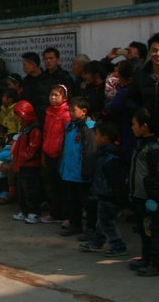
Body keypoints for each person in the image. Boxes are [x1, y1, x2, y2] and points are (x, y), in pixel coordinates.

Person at [129, 108, 159, 277]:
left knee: (154, 230)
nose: (131, 127)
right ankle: (146, 257)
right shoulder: (143, 144)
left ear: (145, 126)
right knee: (143, 229)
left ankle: (157, 263)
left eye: (134, 124)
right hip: (140, 196)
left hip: (151, 198)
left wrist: (155, 198)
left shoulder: (157, 148)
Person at [79, 121, 128, 257]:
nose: (95, 137)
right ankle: (96, 241)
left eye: (97, 135)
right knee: (102, 221)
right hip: (103, 194)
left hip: (110, 197)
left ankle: (118, 245)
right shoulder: (104, 155)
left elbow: (117, 183)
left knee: (107, 222)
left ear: (105, 139)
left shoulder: (112, 158)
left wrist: (120, 200)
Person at [59, 96, 97, 237]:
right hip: (70, 172)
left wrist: (87, 171)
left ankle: (91, 229)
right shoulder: (70, 127)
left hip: (82, 174)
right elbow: (65, 149)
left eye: (73, 110)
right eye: (69, 110)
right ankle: (75, 225)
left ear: (84, 111)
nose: (70, 113)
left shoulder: (89, 128)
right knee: (72, 201)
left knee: (87, 203)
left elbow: (90, 151)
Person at [40, 84, 71, 225]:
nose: (52, 98)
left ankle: (66, 215)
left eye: (56, 95)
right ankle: (55, 213)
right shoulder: (49, 113)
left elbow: (67, 136)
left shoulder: (66, 114)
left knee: (63, 187)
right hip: (49, 153)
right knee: (52, 186)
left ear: (64, 98)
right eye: (51, 95)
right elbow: (45, 133)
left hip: (62, 155)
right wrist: (43, 152)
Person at [10, 100, 42, 223]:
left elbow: (33, 147)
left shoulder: (34, 128)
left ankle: (33, 212)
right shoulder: (25, 128)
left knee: (31, 189)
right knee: (22, 189)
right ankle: (24, 210)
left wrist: (23, 157)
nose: (18, 119)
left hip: (30, 164)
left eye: (19, 115)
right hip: (22, 163)